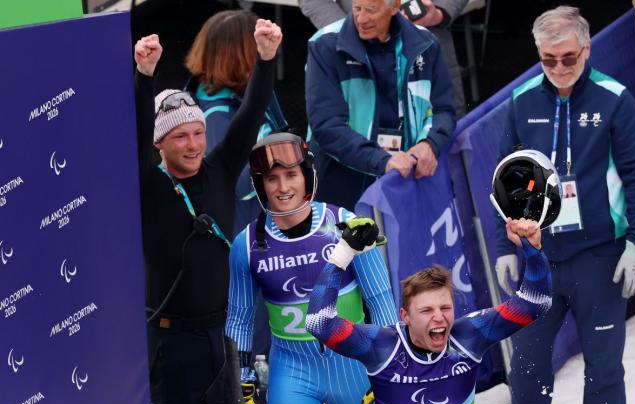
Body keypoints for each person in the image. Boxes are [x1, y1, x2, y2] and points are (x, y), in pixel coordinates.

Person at [493, 6, 635, 404]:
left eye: (569, 58)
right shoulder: (522, 100)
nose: (560, 69)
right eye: (549, 60)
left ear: (586, 49)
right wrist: (504, 247)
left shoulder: (614, 98)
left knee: (602, 368)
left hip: (599, 257)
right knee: (527, 366)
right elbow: (505, 177)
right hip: (538, 257)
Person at [133, 19, 281, 404]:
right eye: (180, 136)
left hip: (230, 340)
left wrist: (266, 59)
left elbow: (251, 114)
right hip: (172, 346)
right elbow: (137, 136)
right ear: (161, 144)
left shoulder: (218, 168)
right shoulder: (149, 184)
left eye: (198, 132)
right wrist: (144, 76)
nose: (195, 144)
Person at [306, 216, 552, 404]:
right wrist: (342, 254)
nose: (439, 317)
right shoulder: (383, 347)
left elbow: (536, 303)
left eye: (445, 307)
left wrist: (532, 250)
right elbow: (319, 323)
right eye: (426, 310)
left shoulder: (468, 337)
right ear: (405, 317)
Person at [225, 132, 398, 404]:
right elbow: (239, 319)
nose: (283, 188)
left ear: (306, 176)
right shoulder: (246, 246)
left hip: (353, 366)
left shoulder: (346, 224)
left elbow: (381, 299)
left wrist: (388, 368)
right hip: (291, 370)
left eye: (291, 175)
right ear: (260, 185)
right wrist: (242, 379)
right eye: (272, 179)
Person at [304, 0, 456, 210]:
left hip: (406, 177)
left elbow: (444, 108)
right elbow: (326, 126)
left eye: (370, 11)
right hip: (341, 182)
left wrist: (429, 143)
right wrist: (381, 160)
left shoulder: (425, 43)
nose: (361, 19)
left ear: (394, 7)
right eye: (357, 8)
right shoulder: (324, 45)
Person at [185, 9, 290, 235]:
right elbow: (237, 182)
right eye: (258, 45)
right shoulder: (215, 115)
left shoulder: (248, 90)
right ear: (239, 55)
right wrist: (285, 158)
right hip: (248, 235)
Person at [298, 0, 467, 118]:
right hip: (359, 57)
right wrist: (353, 29)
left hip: (428, 48)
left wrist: (439, 13)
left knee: (446, 140)